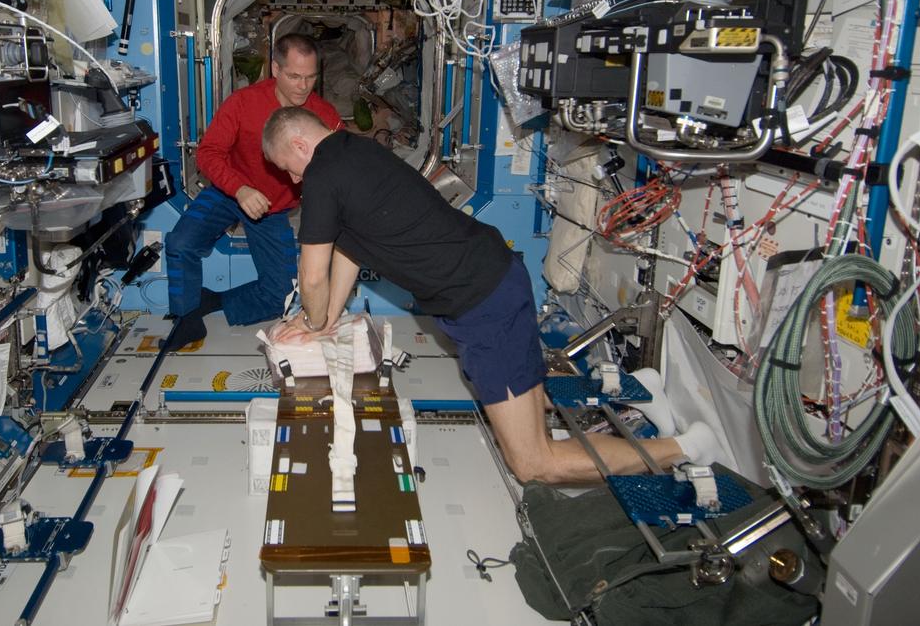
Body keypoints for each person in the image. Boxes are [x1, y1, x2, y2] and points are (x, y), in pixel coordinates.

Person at [260, 106, 722, 486]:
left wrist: (312, 318)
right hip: (492, 275)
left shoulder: (321, 174)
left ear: (299, 145)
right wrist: (323, 318)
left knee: (533, 462)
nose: (294, 180)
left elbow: (313, 276)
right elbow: (349, 248)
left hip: (482, 303)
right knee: (532, 396)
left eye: (288, 169)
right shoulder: (354, 151)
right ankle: (644, 392)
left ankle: (686, 448)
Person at [163, 35, 343, 349]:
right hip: (228, 191)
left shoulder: (324, 116)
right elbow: (208, 153)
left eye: (310, 77)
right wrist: (239, 188)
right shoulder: (243, 102)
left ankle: (214, 301)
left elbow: (340, 168)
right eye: (294, 76)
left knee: (279, 296)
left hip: (273, 208)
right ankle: (186, 317)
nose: (303, 86)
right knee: (180, 243)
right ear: (275, 69)